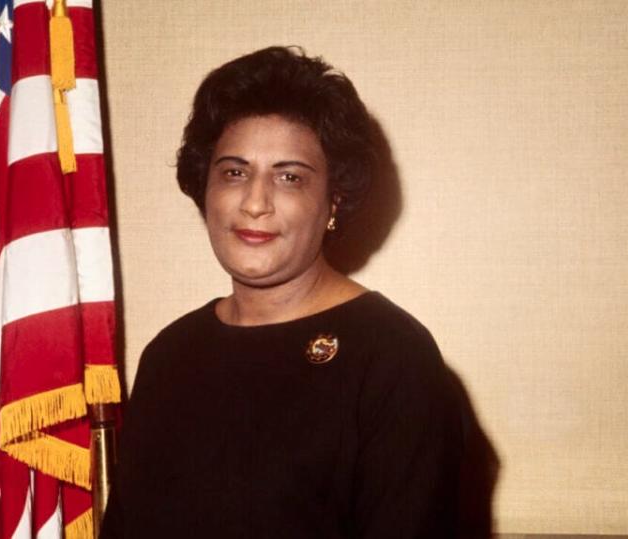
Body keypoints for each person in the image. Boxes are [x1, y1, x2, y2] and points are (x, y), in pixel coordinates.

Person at [101, 46, 474, 538]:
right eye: (234, 172)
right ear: (205, 189)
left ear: (333, 201)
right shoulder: (170, 355)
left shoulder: (393, 360)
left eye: (290, 177)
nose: (255, 202)